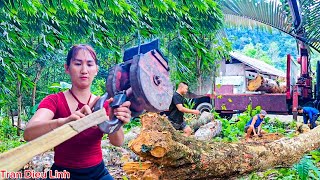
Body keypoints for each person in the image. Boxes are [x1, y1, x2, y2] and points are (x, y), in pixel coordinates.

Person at [24, 44, 131, 180]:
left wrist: (115, 119)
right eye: (78, 63)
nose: (84, 70)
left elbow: (118, 142)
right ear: (67, 68)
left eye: (90, 64)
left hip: (98, 174)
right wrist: (64, 122)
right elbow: (28, 133)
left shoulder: (105, 103)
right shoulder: (55, 101)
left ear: (96, 70)